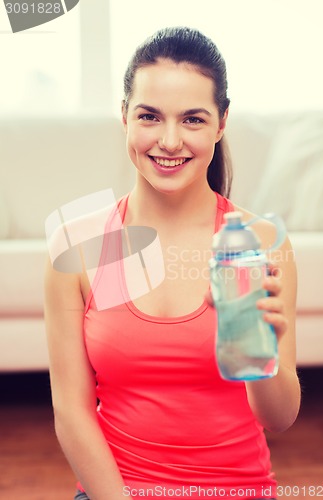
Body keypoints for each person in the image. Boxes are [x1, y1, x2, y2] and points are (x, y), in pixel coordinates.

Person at [44, 26, 300, 500]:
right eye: (149, 116)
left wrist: (258, 352)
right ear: (124, 117)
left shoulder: (258, 242)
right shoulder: (80, 245)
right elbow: (71, 412)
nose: (169, 140)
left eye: (193, 120)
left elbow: (280, 419)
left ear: (222, 123)